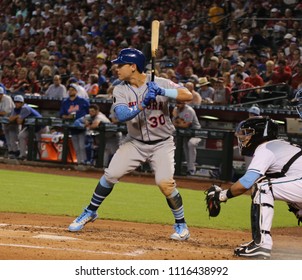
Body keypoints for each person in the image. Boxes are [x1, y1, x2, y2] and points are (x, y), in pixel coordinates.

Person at [68, 48, 193, 241]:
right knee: (110, 175)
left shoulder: (159, 83)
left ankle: (181, 225)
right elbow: (121, 115)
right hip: (134, 142)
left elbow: (187, 95)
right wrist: (142, 103)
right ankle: (90, 212)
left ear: (133, 67)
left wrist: (162, 91)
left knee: (165, 184)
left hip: (162, 144)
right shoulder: (120, 88)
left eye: (121, 65)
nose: (117, 68)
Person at [212, 116, 302, 258]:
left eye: (247, 133)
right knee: (285, 194)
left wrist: (222, 195)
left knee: (263, 186)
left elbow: (246, 182)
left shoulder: (265, 148)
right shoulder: (280, 145)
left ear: (260, 133)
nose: (243, 137)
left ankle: (262, 244)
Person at [9, 95, 48, 160]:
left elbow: (19, 121)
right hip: (30, 127)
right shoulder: (15, 109)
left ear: (22, 103)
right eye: (15, 102)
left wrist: (17, 117)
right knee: (21, 136)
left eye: (18, 102)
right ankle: (22, 155)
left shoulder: (25, 108)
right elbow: (10, 119)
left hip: (40, 127)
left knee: (39, 142)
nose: (16, 103)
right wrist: (17, 116)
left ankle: (38, 159)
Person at [59, 83, 90, 165]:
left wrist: (86, 120)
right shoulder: (65, 102)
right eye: (69, 90)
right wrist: (67, 117)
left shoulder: (82, 101)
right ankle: (79, 162)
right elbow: (62, 114)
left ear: (76, 91)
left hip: (82, 126)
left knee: (82, 146)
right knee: (76, 147)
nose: (70, 91)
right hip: (72, 127)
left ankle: (84, 161)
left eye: (72, 90)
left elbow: (89, 112)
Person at [172, 101, 201, 175]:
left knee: (191, 144)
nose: (178, 105)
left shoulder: (189, 110)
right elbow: (173, 124)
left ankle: (192, 169)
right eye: (177, 103)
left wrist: (177, 117)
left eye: (179, 103)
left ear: (184, 103)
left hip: (196, 133)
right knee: (185, 147)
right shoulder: (176, 109)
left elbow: (186, 125)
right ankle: (189, 169)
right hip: (185, 134)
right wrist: (180, 122)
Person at [0, 87, 18, 158]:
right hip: (5, 121)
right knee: (7, 138)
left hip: (13, 121)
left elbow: (6, 112)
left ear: (2, 94)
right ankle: (11, 153)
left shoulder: (7, 98)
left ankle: (16, 153)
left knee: (13, 138)